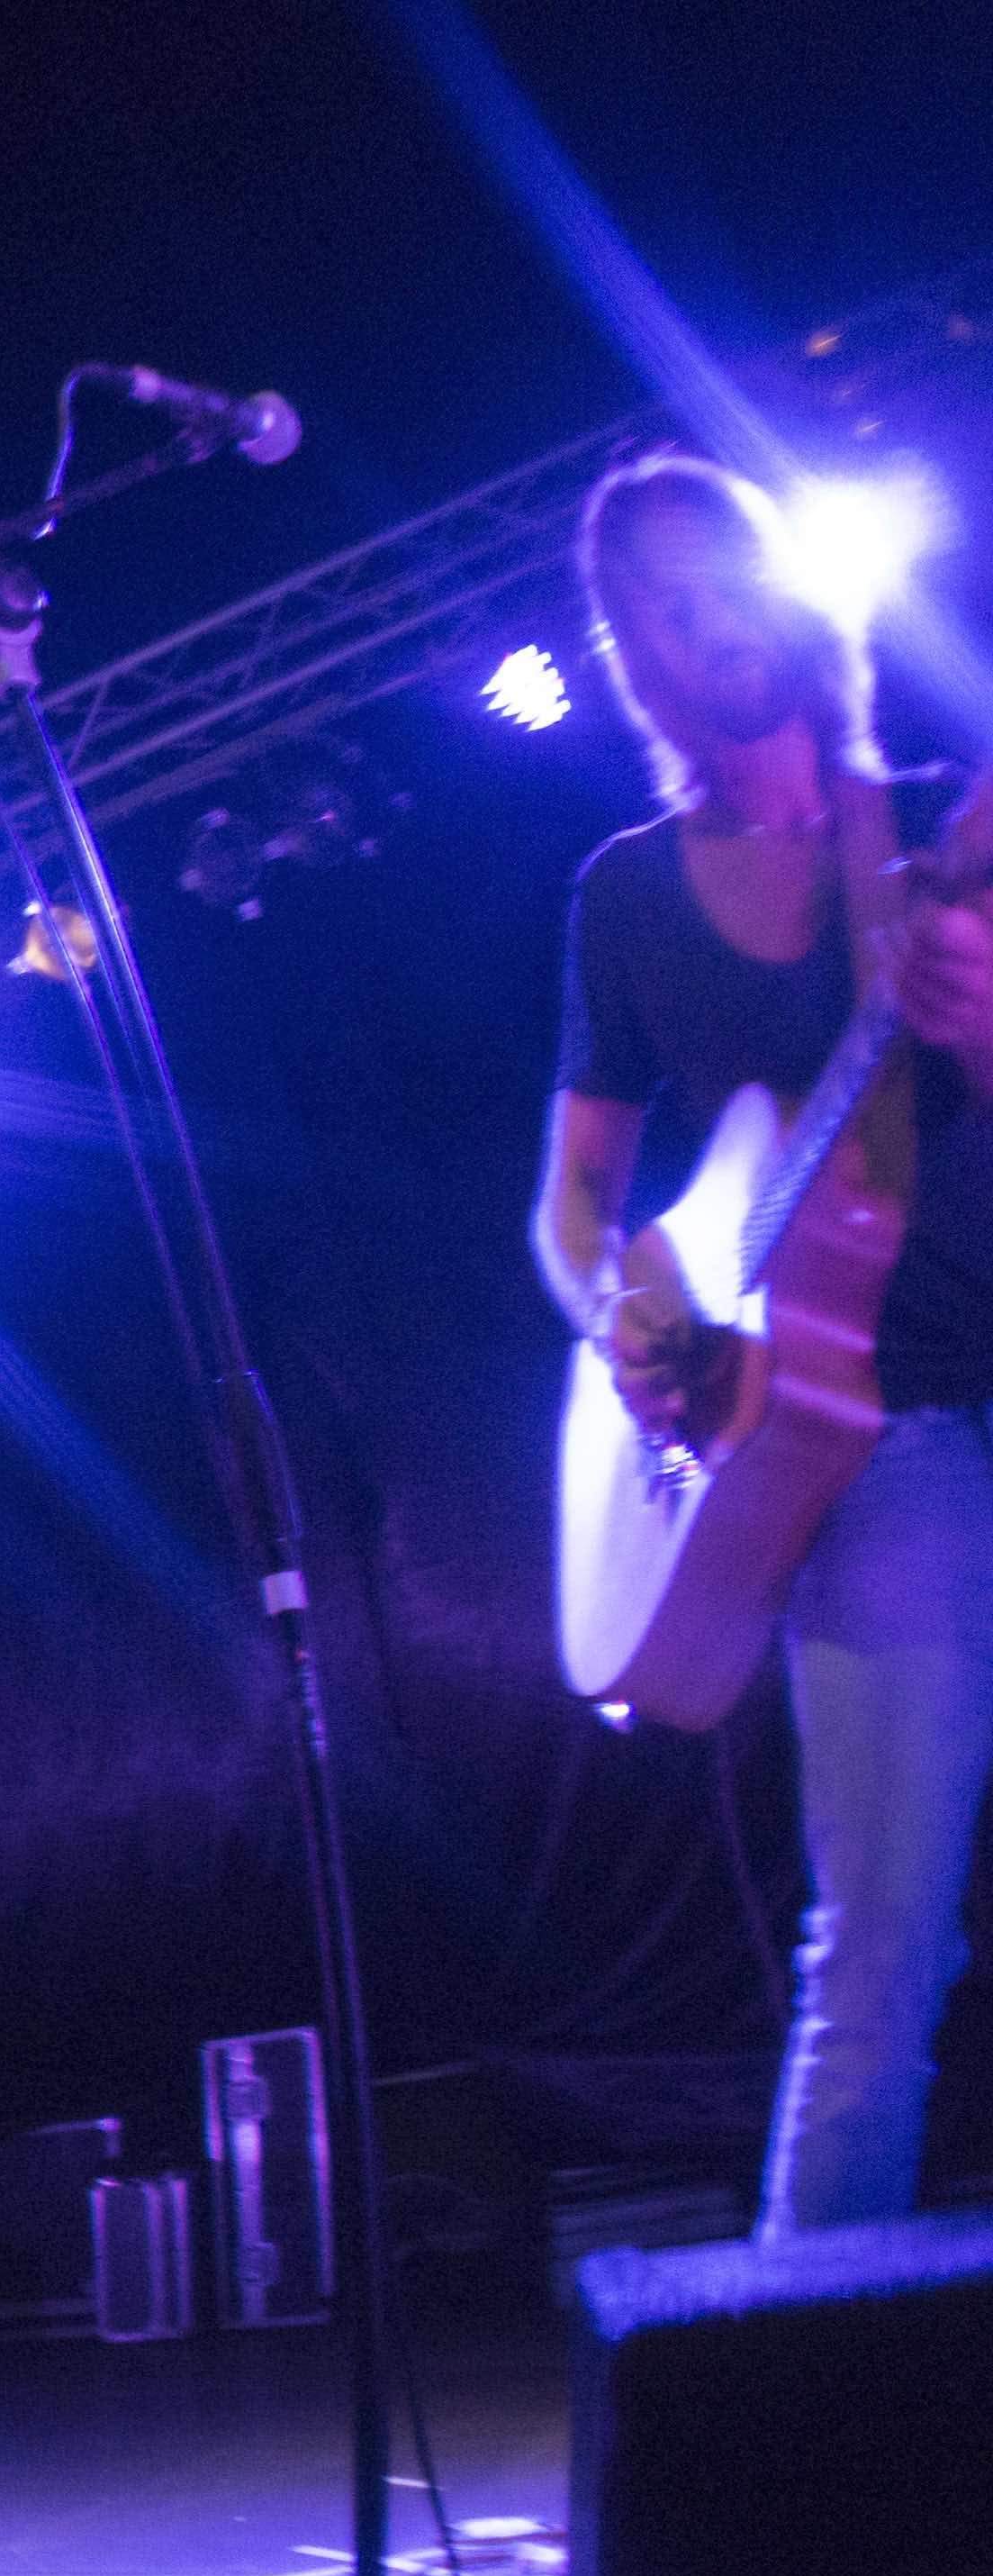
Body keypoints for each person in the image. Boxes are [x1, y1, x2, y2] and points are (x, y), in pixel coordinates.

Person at [531, 455, 993, 2232]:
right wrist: (632, 1317)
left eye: (714, 577)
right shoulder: (625, 894)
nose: (693, 619)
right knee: (877, 1954)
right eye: (650, 605)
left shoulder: (941, 825)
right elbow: (575, 1199)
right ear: (628, 660)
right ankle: (801, 2435)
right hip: (864, 1450)